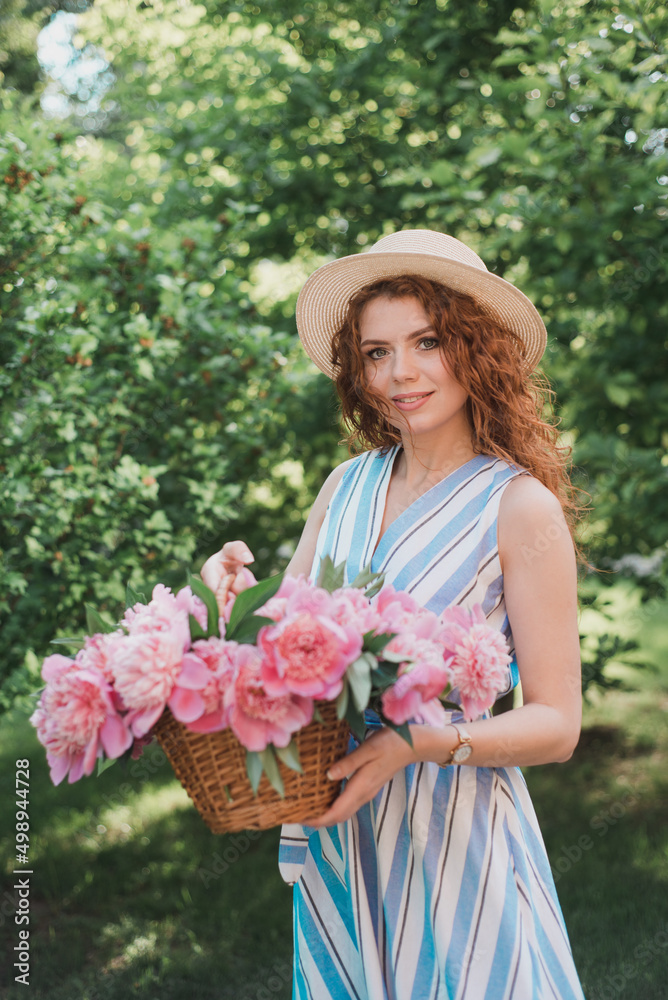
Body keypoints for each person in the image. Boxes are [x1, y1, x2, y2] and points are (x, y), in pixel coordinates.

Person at [201, 230, 586, 999]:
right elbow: (282, 656)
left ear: (476, 350)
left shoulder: (517, 507)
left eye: (427, 342)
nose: (399, 373)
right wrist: (227, 598)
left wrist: (421, 744)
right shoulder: (345, 486)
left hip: (456, 841)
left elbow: (558, 724)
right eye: (376, 352)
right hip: (340, 835)